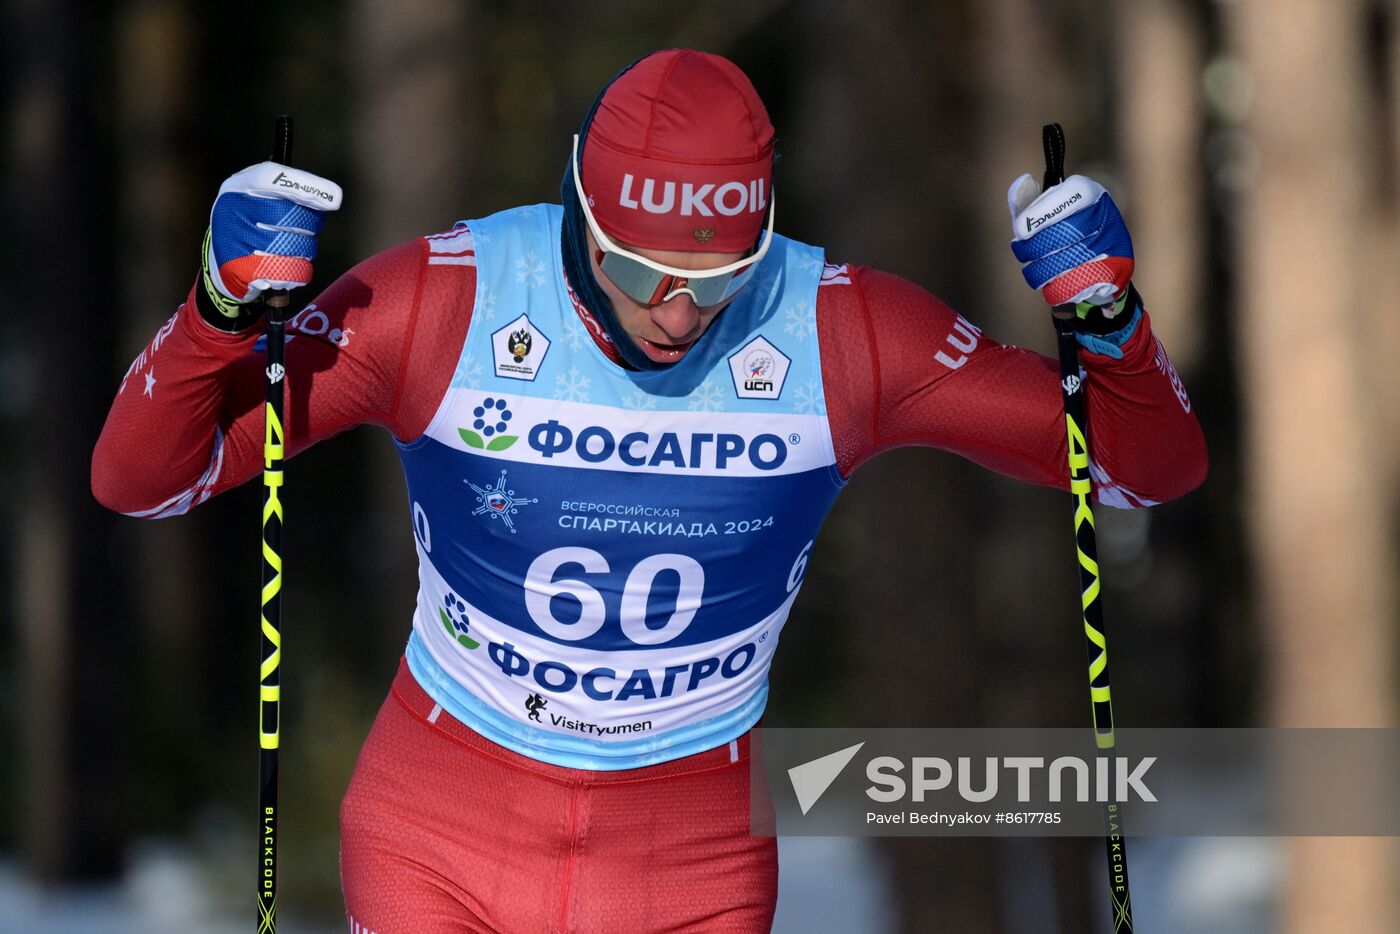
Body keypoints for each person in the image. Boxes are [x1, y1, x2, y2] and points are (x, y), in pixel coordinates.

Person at [93, 48, 1206, 933]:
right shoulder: (444, 300)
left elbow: (1142, 468)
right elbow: (143, 478)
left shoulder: (839, 329)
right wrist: (218, 313)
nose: (674, 313)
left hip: (689, 868)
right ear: (579, 206)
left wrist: (1108, 325)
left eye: (716, 282)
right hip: (443, 838)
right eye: (637, 271)